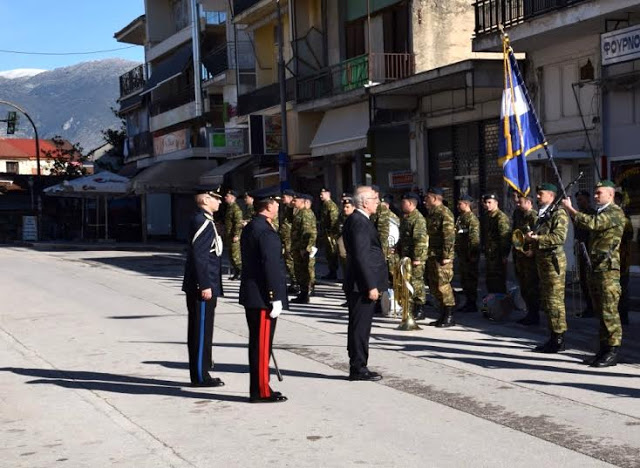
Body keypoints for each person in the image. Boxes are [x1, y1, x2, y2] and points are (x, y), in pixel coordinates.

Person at [562, 180, 625, 367]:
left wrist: (570, 209)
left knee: (609, 311)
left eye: (599, 193)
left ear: (611, 195)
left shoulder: (614, 212)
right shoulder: (600, 212)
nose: (596, 196)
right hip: (595, 268)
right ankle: (604, 349)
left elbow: (593, 224)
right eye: (595, 193)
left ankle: (613, 351)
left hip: (608, 270)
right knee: (600, 311)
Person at [239, 190, 288, 403]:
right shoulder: (265, 231)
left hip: (254, 294)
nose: (278, 207)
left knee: (260, 344)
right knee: (261, 346)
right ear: (268, 207)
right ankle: (260, 391)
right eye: (276, 203)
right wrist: (275, 296)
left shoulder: (252, 226)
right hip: (262, 297)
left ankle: (262, 387)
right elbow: (271, 267)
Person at [342, 186, 388, 381]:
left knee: (359, 326)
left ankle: (359, 364)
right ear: (364, 202)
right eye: (374, 199)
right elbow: (361, 257)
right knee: (360, 327)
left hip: (360, 283)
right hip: (361, 285)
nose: (377, 202)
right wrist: (370, 285)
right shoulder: (359, 222)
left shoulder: (359, 220)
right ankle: (358, 368)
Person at [182, 186, 225, 388]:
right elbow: (199, 257)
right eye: (216, 198)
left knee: (204, 329)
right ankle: (200, 375)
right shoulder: (202, 222)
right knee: (200, 331)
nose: (220, 202)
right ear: (206, 200)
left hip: (205, 283)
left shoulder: (205, 220)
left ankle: (203, 371)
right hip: (202, 286)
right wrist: (204, 284)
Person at [526, 183, 569, 353]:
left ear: (551, 196)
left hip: (553, 263)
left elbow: (559, 237)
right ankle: (552, 335)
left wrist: (536, 238)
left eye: (540, 194)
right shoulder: (541, 215)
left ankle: (558, 338)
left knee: (554, 300)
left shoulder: (559, 213)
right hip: (542, 261)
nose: (537, 196)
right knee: (547, 300)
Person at [424, 187, 456, 327]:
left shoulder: (445, 213)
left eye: (428, 198)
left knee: (443, 286)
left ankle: (449, 315)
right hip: (431, 254)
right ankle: (442, 314)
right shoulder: (431, 214)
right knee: (434, 286)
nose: (425, 201)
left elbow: (449, 237)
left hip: (442, 256)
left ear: (435, 198)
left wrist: (447, 255)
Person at [397, 192, 428, 320]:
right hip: (406, 256)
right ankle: (409, 308)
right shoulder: (406, 218)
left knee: (417, 282)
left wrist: (417, 258)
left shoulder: (418, 219)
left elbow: (420, 240)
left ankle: (419, 308)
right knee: (407, 282)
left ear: (410, 203)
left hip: (415, 257)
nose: (401, 205)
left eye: (403, 202)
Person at [512, 193, 540, 326]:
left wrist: (533, 251)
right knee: (523, 287)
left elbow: (538, 235)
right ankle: (529, 313)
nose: (518, 204)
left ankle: (534, 315)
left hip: (530, 258)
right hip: (520, 256)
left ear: (529, 203)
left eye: (520, 202)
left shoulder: (533, 217)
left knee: (531, 288)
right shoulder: (518, 215)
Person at [481, 193, 511, 294]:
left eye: (490, 202)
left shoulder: (501, 217)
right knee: (490, 281)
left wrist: (504, 255)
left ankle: (501, 306)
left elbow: (505, 238)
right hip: (490, 254)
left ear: (496, 203)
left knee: (498, 281)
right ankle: (492, 305)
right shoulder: (487, 216)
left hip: (498, 255)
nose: (487, 205)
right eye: (485, 203)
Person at [455, 195, 480, 313]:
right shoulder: (461, 217)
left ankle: (472, 303)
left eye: (460, 204)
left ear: (466, 204)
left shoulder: (471, 219)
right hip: (462, 254)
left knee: (470, 279)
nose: (458, 206)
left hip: (469, 255)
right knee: (464, 279)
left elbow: (474, 238)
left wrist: (473, 254)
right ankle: (468, 301)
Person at [291, 194, 317, 304]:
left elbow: (310, 233)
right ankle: (302, 293)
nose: (293, 202)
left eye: (295, 200)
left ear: (302, 201)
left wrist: (306, 248)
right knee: (299, 271)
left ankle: (305, 294)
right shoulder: (299, 213)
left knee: (304, 271)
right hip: (298, 247)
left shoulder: (305, 213)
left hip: (303, 249)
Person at [574, 190, 595, 318]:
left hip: (590, 250)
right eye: (577, 200)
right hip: (581, 249)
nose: (578, 202)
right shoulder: (579, 214)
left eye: (581, 200)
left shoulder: (592, 214)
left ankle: (594, 307)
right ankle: (589, 306)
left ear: (587, 200)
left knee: (590, 281)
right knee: (583, 280)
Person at [615, 191, 633, 326]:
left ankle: (623, 315)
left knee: (623, 288)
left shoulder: (625, 219)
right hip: (612, 260)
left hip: (622, 258)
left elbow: (629, 236)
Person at [279, 189, 298, 294]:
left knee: (291, 261)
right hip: (286, 239)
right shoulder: (287, 208)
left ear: (290, 197)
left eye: (284, 197)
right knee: (288, 261)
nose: (282, 199)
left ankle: (296, 283)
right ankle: (293, 282)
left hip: (291, 239)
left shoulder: (295, 209)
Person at [319, 188, 340, 280]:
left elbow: (334, 220)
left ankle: (333, 272)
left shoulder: (331, 205)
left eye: (322, 194)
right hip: (326, 233)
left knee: (332, 254)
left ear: (328, 194)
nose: (320, 196)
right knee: (328, 254)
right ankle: (331, 271)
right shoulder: (324, 205)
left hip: (331, 234)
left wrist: (332, 234)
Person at [224, 189, 243, 280]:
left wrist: (236, 235)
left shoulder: (236, 209)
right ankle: (236, 273)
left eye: (227, 196)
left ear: (232, 197)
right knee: (231, 255)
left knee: (236, 256)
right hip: (229, 235)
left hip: (234, 236)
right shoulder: (229, 208)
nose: (225, 198)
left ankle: (240, 272)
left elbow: (238, 223)